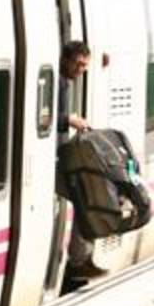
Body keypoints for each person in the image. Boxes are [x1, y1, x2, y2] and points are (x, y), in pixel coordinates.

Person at [57, 41, 105, 280]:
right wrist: (70, 120)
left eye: (84, 66)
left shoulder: (63, 82)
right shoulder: (57, 81)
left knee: (87, 197)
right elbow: (39, 116)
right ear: (65, 59)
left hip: (58, 156)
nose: (81, 70)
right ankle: (78, 262)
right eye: (78, 64)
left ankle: (81, 259)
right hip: (51, 161)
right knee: (87, 199)